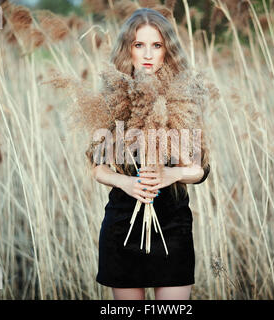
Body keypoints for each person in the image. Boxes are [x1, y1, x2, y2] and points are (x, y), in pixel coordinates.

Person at [90, 8, 211, 300]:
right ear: (127, 50)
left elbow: (201, 169)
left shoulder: (183, 95)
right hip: (123, 225)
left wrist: (172, 173)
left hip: (173, 225)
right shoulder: (112, 96)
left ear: (167, 50)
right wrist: (126, 183)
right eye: (138, 45)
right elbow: (98, 167)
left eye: (156, 45)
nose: (147, 54)